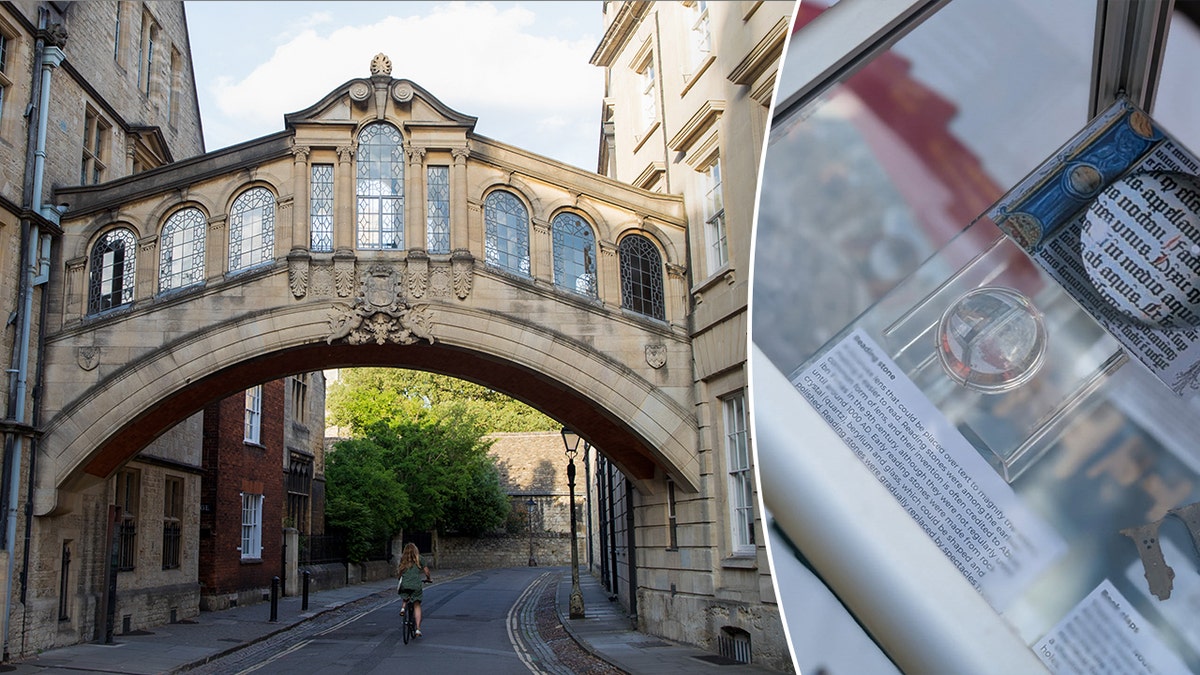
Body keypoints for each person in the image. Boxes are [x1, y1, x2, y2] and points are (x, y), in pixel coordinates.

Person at [396, 542, 432, 636]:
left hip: (405, 584)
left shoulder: (403, 559)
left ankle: (403, 608)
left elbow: (400, 572)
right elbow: (427, 571)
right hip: (416, 585)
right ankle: (418, 629)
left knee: (405, 594)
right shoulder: (420, 558)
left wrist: (400, 578)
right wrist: (428, 579)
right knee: (417, 605)